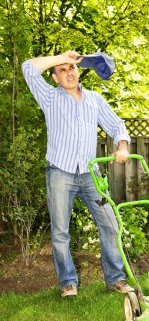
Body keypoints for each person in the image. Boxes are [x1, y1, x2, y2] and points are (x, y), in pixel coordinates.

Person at [22, 50, 133, 298]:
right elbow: (28, 68)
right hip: (60, 173)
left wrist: (122, 145)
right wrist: (63, 56)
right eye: (62, 69)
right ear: (54, 77)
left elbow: (117, 125)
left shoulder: (94, 99)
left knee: (110, 225)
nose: (69, 73)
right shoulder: (49, 97)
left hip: (89, 173)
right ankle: (68, 282)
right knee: (61, 232)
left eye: (72, 68)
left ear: (79, 71)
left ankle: (115, 279)